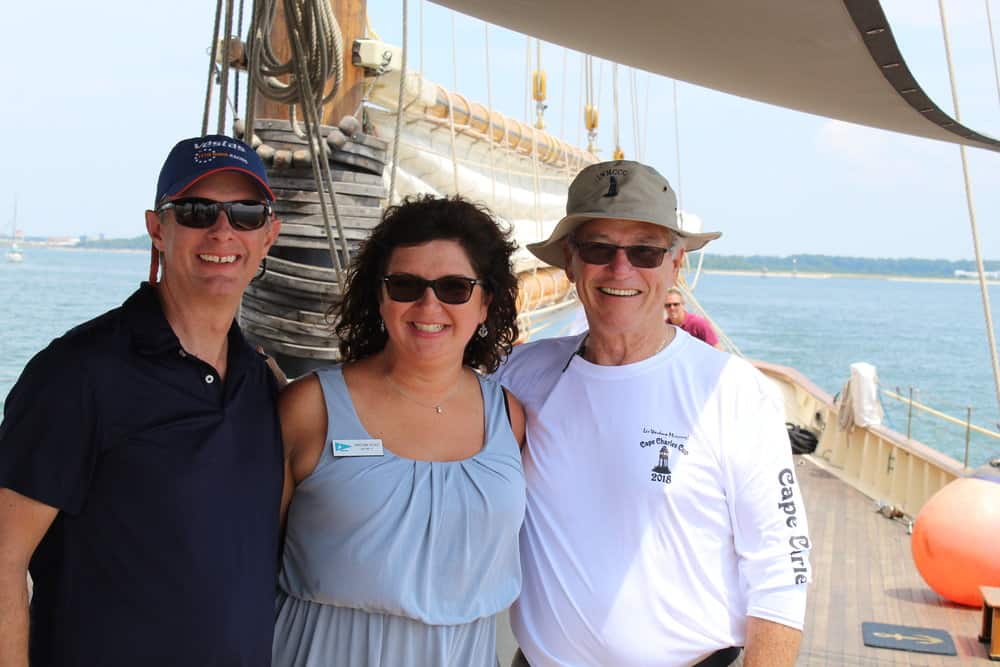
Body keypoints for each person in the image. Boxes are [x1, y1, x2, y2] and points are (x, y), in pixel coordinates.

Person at [496, 160, 811, 667]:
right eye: (600, 248)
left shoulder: (732, 391)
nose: (621, 269)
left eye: (644, 250)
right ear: (571, 262)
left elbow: (782, 566)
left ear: (675, 263)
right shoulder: (520, 377)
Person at [0, 135, 284, 666]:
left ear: (269, 235)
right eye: (198, 211)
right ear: (158, 228)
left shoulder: (263, 384)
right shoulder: (76, 375)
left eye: (246, 213)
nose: (223, 230)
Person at [273, 195, 526, 667]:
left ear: (485, 301)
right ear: (380, 295)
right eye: (406, 285)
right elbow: (247, 559)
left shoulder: (509, 417)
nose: (428, 305)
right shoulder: (310, 408)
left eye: (454, 288)